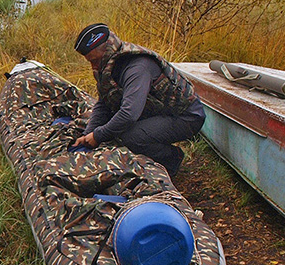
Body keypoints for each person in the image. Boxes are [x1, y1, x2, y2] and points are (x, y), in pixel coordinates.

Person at [70, 22, 204, 177]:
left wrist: (98, 136)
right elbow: (104, 103)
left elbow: (129, 114)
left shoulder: (136, 67)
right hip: (158, 112)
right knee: (113, 131)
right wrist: (89, 133)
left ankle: (172, 159)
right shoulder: (107, 66)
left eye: (94, 60)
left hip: (186, 117)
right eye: (90, 62)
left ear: (106, 52)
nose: (93, 66)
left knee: (130, 137)